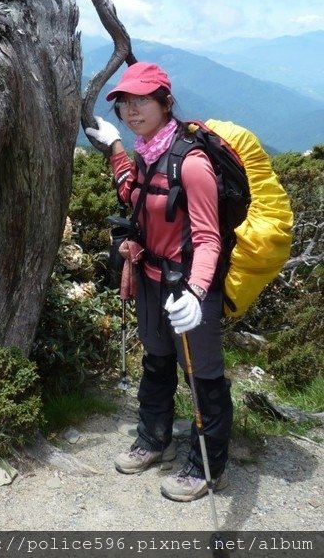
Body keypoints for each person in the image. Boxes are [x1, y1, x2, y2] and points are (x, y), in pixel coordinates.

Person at [85, 61, 233, 502]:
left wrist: (197, 291)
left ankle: (209, 466)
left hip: (189, 288)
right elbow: (133, 192)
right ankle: (155, 438)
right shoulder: (147, 153)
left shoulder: (192, 165)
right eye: (124, 104)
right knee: (157, 360)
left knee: (202, 375)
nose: (131, 112)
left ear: (166, 102)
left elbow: (209, 239)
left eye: (141, 101)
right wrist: (114, 148)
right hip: (151, 278)